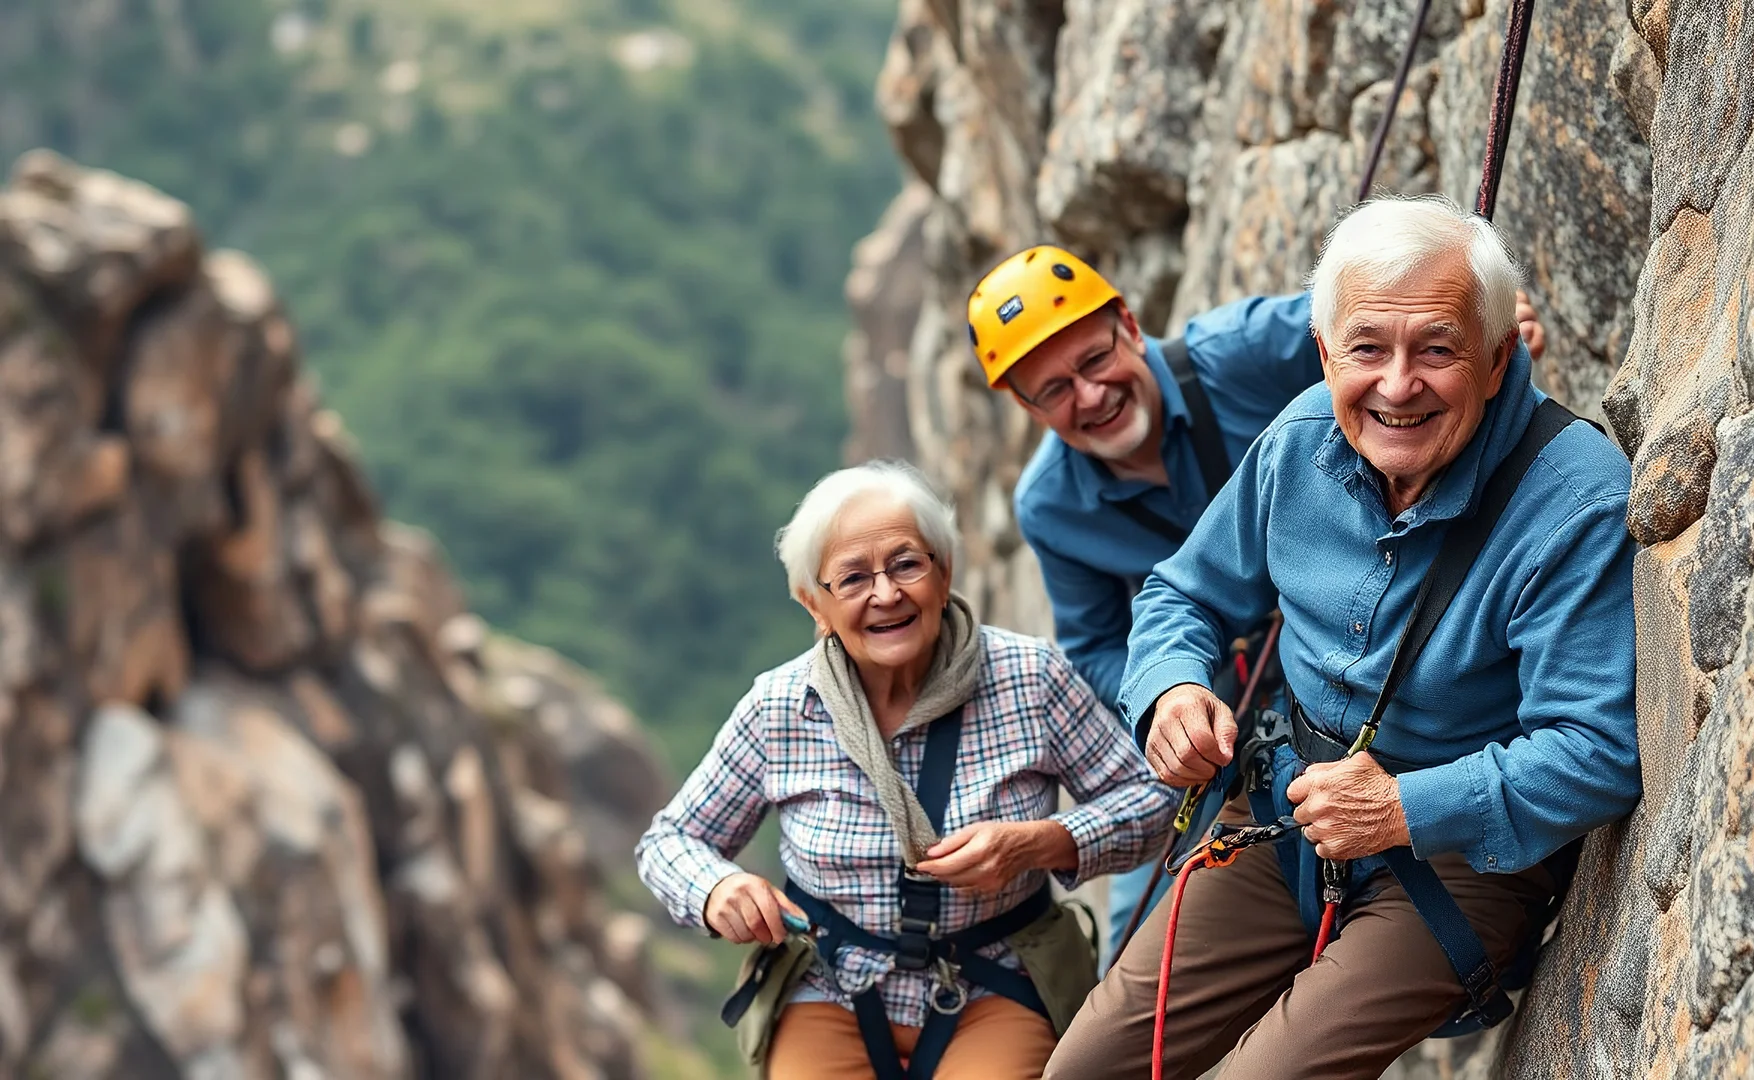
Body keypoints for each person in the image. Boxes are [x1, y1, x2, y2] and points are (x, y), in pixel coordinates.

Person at [1042, 194, 1640, 1080]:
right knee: (1086, 1070)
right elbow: (1182, 592)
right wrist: (1171, 687)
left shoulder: (1571, 501)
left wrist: (1404, 809)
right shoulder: (1300, 444)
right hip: (1284, 809)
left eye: (1437, 348)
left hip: (1459, 857)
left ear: (1497, 355)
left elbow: (1597, 751)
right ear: (1325, 354)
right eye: (1367, 349)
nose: (1397, 386)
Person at [965, 245, 1547, 961]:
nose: (1089, 397)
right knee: (1139, 936)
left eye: (1093, 362)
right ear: (1023, 406)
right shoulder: (1053, 506)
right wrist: (1175, 694)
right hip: (1226, 717)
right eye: (1052, 390)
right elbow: (1096, 644)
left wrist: (1488, 331)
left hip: (1361, 651)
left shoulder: (1247, 352)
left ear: (1128, 324)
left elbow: (1388, 322)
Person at [636, 461, 1177, 1080]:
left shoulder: (1030, 678)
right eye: (853, 578)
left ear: (944, 574)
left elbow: (1153, 799)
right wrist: (716, 890)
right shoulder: (781, 707)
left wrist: (1041, 843)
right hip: (831, 982)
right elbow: (670, 842)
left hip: (995, 977)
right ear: (815, 604)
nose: (886, 594)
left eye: (906, 565)